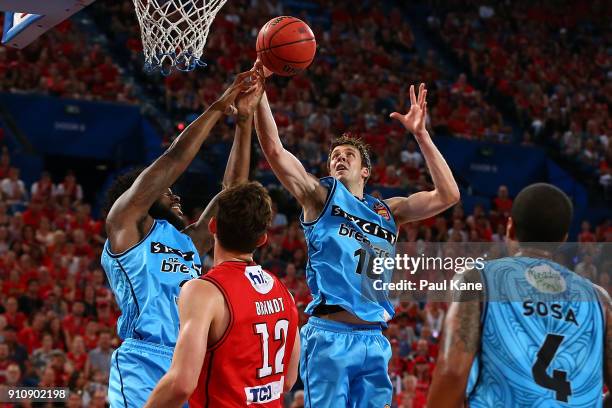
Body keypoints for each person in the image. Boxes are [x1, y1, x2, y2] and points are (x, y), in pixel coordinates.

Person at [255, 66, 459, 407]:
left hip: (374, 339)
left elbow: (448, 195)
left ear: (365, 171)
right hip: (330, 336)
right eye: (335, 155)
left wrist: (421, 135)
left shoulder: (387, 210)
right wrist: (260, 92)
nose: (339, 158)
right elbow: (276, 152)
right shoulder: (319, 197)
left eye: (348, 155)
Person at [101, 68, 264, 407]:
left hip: (190, 364)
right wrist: (220, 107)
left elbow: (232, 195)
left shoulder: (186, 241)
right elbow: (172, 160)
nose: (175, 198)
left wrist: (245, 122)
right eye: (167, 194)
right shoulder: (125, 226)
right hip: (143, 364)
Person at [428, 183, 609, 407]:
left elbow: (452, 372)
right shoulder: (599, 300)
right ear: (563, 239)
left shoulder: (477, 281)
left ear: (510, 228)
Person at [145, 182, 299, 407]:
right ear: (262, 239)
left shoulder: (204, 291)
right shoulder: (286, 294)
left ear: (213, 226)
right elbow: (287, 381)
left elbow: (181, 384)